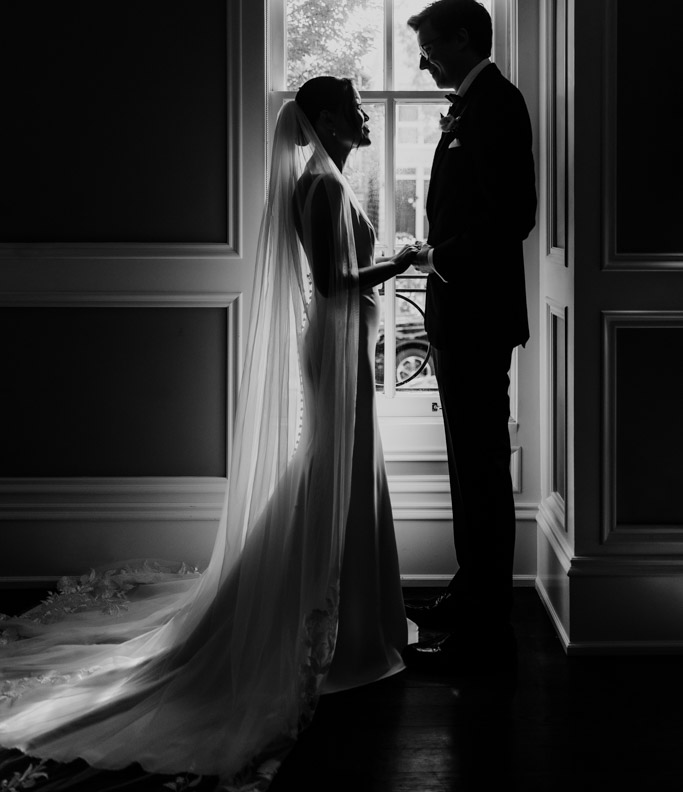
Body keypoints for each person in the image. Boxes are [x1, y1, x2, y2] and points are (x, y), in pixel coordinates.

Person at [0, 76, 417, 790]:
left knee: (340, 468)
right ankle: (325, 621)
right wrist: (404, 262)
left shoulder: (330, 182)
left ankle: (353, 614)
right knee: (331, 467)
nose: (361, 116)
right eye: (350, 109)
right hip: (336, 343)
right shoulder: (318, 189)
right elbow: (334, 282)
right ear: (325, 122)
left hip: (347, 344)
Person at [403, 0, 536, 672]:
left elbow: (514, 214)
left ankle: (486, 626)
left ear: (462, 38)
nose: (422, 64)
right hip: (462, 311)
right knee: (468, 461)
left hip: (478, 312)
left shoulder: (497, 105)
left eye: (428, 48)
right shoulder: (473, 104)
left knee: (481, 466)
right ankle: (468, 591)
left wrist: (439, 258)